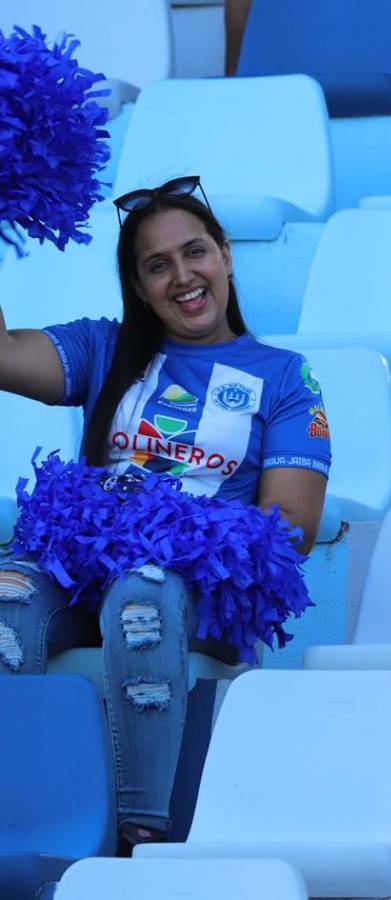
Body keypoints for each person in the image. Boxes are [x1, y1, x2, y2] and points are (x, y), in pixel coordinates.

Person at [0, 176, 330, 851]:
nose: (183, 276)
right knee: (5, 601)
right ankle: (20, 829)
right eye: (159, 265)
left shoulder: (286, 377)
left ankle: (141, 839)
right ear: (141, 285)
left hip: (196, 589)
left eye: (196, 252)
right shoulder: (105, 348)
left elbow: (290, 527)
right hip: (81, 571)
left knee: (141, 594)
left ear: (226, 255)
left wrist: (163, 534)